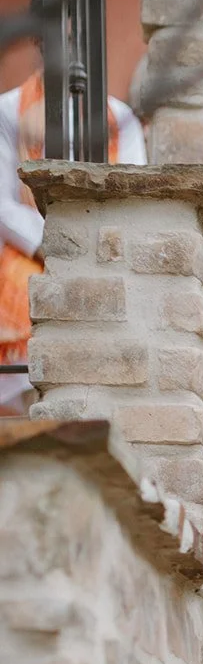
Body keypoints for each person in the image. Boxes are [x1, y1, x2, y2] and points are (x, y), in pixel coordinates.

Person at [0, 68, 146, 413]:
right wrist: (50, 245)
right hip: (28, 249)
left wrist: (87, 246)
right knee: (24, 289)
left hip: (101, 248)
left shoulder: (120, 118)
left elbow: (133, 197)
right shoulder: (8, 110)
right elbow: (1, 202)